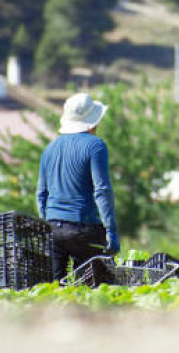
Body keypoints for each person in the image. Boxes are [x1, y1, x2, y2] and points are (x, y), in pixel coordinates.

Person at [36, 93, 120, 280]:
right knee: (97, 286)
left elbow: (41, 194)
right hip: (83, 228)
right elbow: (102, 191)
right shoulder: (96, 146)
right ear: (92, 123)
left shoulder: (49, 149)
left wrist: (46, 225)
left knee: (52, 289)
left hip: (53, 229)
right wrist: (111, 230)